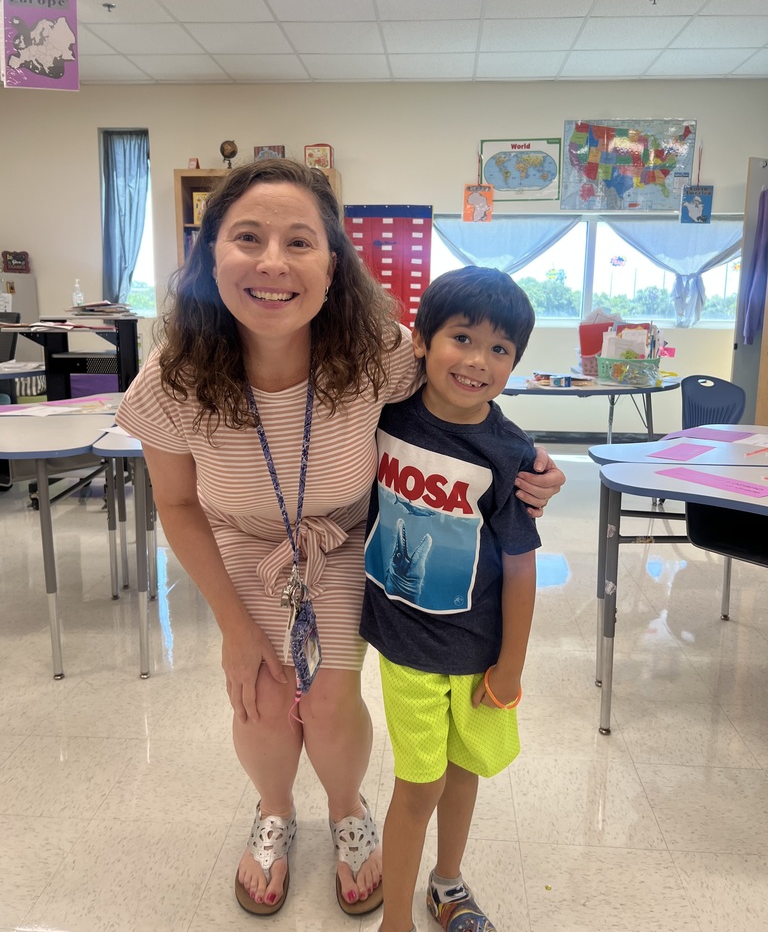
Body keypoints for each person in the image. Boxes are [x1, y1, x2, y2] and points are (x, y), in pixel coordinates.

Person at [115, 159, 564, 918]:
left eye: (299, 242)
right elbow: (178, 504)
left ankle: (348, 807)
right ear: (208, 256)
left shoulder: (376, 349)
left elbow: (460, 398)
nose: (272, 263)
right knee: (257, 696)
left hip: (342, 546)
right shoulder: (173, 377)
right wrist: (232, 624)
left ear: (332, 263)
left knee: (326, 701)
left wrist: (530, 466)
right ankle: (274, 812)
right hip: (241, 555)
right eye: (247, 238)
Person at [361, 266, 541, 932]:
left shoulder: (511, 453)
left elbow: (521, 568)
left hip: (479, 645)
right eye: (461, 338)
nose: (477, 361)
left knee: (464, 769)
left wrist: (511, 667)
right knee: (420, 784)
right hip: (406, 644)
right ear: (421, 342)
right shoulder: (383, 414)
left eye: (499, 349)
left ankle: (447, 885)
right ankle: (396, 923)